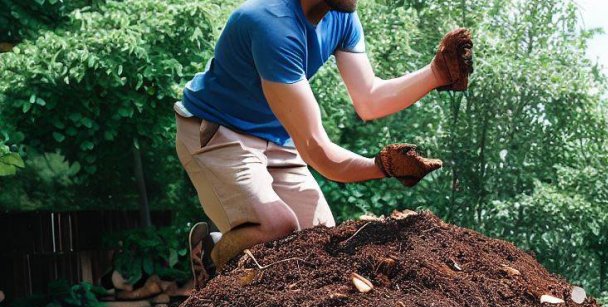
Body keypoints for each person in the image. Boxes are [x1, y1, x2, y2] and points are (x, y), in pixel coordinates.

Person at [175, 0, 473, 287]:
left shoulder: (341, 14)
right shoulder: (272, 23)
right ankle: (212, 256)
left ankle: (225, 251)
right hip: (218, 131)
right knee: (277, 226)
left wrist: (436, 74)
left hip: (275, 136)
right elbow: (318, 151)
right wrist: (383, 167)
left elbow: (369, 99)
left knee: (319, 239)